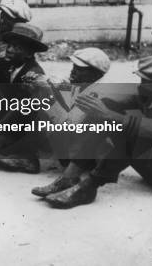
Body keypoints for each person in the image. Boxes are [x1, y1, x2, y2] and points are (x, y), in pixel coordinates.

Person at [42, 54, 152, 208]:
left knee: (127, 129)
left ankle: (88, 187)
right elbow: (109, 102)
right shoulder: (149, 92)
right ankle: (69, 177)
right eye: (142, 80)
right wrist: (91, 102)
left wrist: (108, 114)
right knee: (104, 112)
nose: (142, 85)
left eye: (149, 82)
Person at [0, 23, 49, 174]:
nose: (10, 50)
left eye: (17, 48)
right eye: (10, 45)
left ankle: (14, 156)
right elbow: (3, 99)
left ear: (29, 53)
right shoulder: (8, 64)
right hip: (4, 119)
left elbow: (20, 109)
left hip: (21, 129)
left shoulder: (33, 74)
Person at [31, 47, 111, 197]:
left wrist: (48, 95)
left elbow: (67, 125)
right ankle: (28, 152)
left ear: (95, 73)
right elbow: (63, 85)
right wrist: (46, 82)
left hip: (89, 157)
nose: (73, 71)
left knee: (44, 102)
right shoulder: (88, 83)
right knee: (40, 93)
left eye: (79, 69)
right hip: (80, 145)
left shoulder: (98, 94)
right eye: (73, 67)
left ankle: (69, 175)